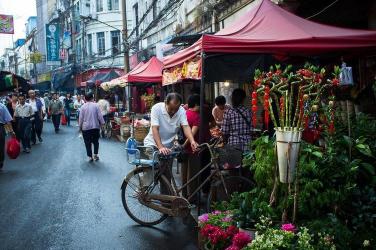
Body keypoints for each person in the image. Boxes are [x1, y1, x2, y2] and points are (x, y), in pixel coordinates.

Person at [144, 93, 198, 193]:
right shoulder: (157, 108)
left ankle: (165, 201)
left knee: (167, 175)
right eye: (171, 109)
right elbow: (155, 128)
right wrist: (160, 147)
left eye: (176, 109)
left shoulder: (181, 110)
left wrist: (192, 141)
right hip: (153, 144)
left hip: (168, 147)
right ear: (165, 103)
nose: (173, 112)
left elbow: (185, 126)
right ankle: (144, 188)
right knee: (157, 169)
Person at [221, 88, 252, 167]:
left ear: (232, 98)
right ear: (243, 99)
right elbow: (252, 128)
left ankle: (235, 179)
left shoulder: (228, 112)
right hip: (247, 144)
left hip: (233, 145)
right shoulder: (248, 111)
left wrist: (224, 142)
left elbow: (224, 132)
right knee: (247, 169)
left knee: (233, 169)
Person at [181, 94, 201, 199]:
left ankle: (183, 195)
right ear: (197, 104)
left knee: (184, 173)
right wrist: (185, 145)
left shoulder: (185, 113)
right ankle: (191, 197)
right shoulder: (197, 116)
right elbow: (191, 134)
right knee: (192, 173)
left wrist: (182, 146)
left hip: (183, 150)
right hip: (192, 148)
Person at [79, 92, 105, 162]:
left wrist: (80, 127)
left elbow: (80, 118)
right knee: (96, 142)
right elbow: (100, 116)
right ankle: (95, 155)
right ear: (92, 98)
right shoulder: (96, 106)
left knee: (87, 142)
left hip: (86, 128)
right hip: (95, 127)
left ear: (85, 98)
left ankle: (90, 157)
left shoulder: (82, 107)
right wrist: (103, 124)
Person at [0, 100, 15, 169]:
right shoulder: (2, 106)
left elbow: (8, 120)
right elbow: (8, 120)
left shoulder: (2, 106)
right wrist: (11, 131)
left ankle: (1, 161)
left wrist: (11, 131)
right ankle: (1, 161)